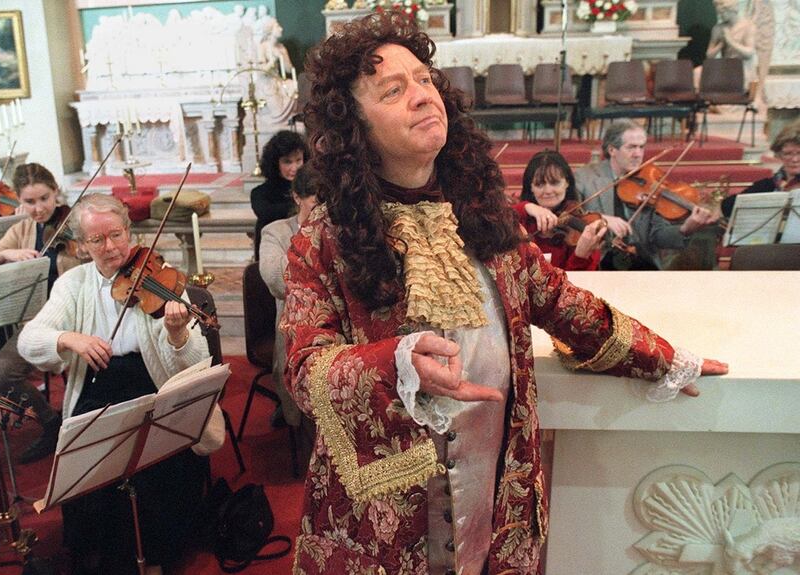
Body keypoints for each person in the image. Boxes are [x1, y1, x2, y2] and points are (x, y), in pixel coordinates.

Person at [282, 13, 727, 574]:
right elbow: (303, 369)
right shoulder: (322, 236)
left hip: (498, 487)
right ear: (354, 126)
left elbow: (562, 303)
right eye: (393, 90)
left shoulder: (481, 212)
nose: (422, 96)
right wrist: (392, 364)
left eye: (425, 80)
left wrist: (666, 359)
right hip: (383, 517)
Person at [17, 194, 222, 575]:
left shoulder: (160, 276)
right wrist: (69, 340)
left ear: (129, 231)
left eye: (116, 234)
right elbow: (29, 340)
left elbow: (194, 363)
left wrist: (178, 335)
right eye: (97, 240)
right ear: (81, 245)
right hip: (97, 385)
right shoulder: (73, 284)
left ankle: (156, 555)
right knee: (90, 456)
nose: (110, 247)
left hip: (155, 383)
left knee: (158, 464)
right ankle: (109, 554)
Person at [0, 163, 82, 463]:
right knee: (2, 372)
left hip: (79, 319)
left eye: (45, 199)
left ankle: (86, 423)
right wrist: (6, 254)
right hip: (37, 322)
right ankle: (51, 422)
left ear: (56, 192)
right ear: (20, 200)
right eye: (30, 202)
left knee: (87, 371)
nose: (38, 209)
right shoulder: (22, 228)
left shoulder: (75, 222)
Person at [575, 120, 720, 269]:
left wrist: (685, 229)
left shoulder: (650, 182)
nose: (638, 154)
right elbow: (570, 213)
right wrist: (601, 219)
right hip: (599, 261)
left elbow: (658, 235)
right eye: (631, 147)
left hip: (641, 262)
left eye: (641, 147)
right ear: (612, 150)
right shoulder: (585, 177)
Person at [258, 164, 318, 429]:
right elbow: (276, 280)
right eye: (315, 204)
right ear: (297, 197)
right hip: (294, 332)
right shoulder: (275, 232)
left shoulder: (341, 227)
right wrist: (314, 242)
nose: (323, 213)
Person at [514, 150, 605, 271]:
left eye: (555, 183)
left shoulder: (579, 228)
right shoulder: (520, 218)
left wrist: (580, 255)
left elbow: (575, 285)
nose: (548, 190)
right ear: (530, 187)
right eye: (539, 184)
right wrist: (527, 206)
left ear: (567, 183)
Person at [721, 120, 800, 218]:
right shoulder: (769, 184)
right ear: (779, 155)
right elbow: (728, 207)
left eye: (799, 153)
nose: (795, 159)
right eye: (788, 153)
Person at [250, 130, 307, 259]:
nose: (295, 168)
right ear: (276, 163)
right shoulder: (260, 193)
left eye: (298, 160)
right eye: (288, 162)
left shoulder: (311, 188)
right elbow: (267, 212)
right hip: (275, 255)